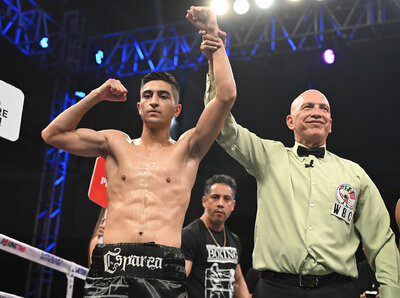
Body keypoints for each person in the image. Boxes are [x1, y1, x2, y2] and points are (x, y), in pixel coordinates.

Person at [41, 6, 236, 297]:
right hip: (111, 264)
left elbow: (226, 96)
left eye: (163, 96)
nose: (154, 101)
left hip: (165, 269)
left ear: (176, 109)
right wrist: (97, 95)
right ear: (139, 106)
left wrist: (214, 38)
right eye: (147, 95)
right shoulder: (115, 143)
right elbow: (52, 134)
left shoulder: (187, 149)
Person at [199, 31, 400, 297]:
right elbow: (223, 127)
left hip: (338, 289)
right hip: (275, 289)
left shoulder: (354, 174)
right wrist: (216, 60)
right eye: (307, 107)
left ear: (330, 125)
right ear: (290, 122)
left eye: (324, 109)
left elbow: (381, 239)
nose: (317, 112)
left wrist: (392, 292)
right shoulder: (268, 156)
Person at [182, 174, 251, 298]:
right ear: (204, 201)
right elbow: (180, 281)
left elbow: (238, 282)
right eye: (215, 197)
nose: (220, 203)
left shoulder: (234, 240)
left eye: (226, 199)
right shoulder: (190, 235)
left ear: (233, 205)